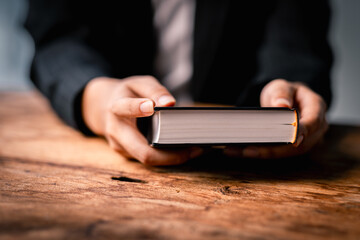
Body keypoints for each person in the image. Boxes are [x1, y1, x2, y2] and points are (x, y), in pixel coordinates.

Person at [25, 0, 332, 166]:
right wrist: (96, 96)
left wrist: (290, 93)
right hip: (112, 133)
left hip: (244, 154)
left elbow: (298, 40)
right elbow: (56, 37)